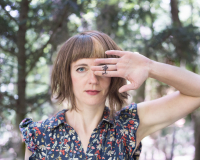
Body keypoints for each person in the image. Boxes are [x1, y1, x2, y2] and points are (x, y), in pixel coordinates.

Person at [19, 31, 200, 160]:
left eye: (103, 68)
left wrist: (149, 67)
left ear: (114, 75)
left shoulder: (129, 125)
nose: (93, 79)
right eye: (81, 69)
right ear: (67, 75)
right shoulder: (39, 134)